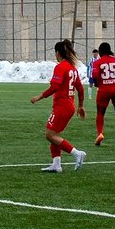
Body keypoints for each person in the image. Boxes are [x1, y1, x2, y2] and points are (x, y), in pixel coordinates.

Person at [30, 39, 87, 173]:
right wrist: (81, 106)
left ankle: (77, 153)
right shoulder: (72, 68)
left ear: (57, 53)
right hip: (69, 106)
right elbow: (80, 88)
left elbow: (54, 87)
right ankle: (56, 164)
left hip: (62, 106)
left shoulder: (61, 67)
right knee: (54, 134)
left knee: (50, 135)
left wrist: (39, 97)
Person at [90, 42, 115, 146]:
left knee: (100, 113)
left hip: (104, 90)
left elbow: (94, 74)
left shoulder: (97, 63)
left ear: (101, 52)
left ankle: (100, 134)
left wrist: (96, 84)